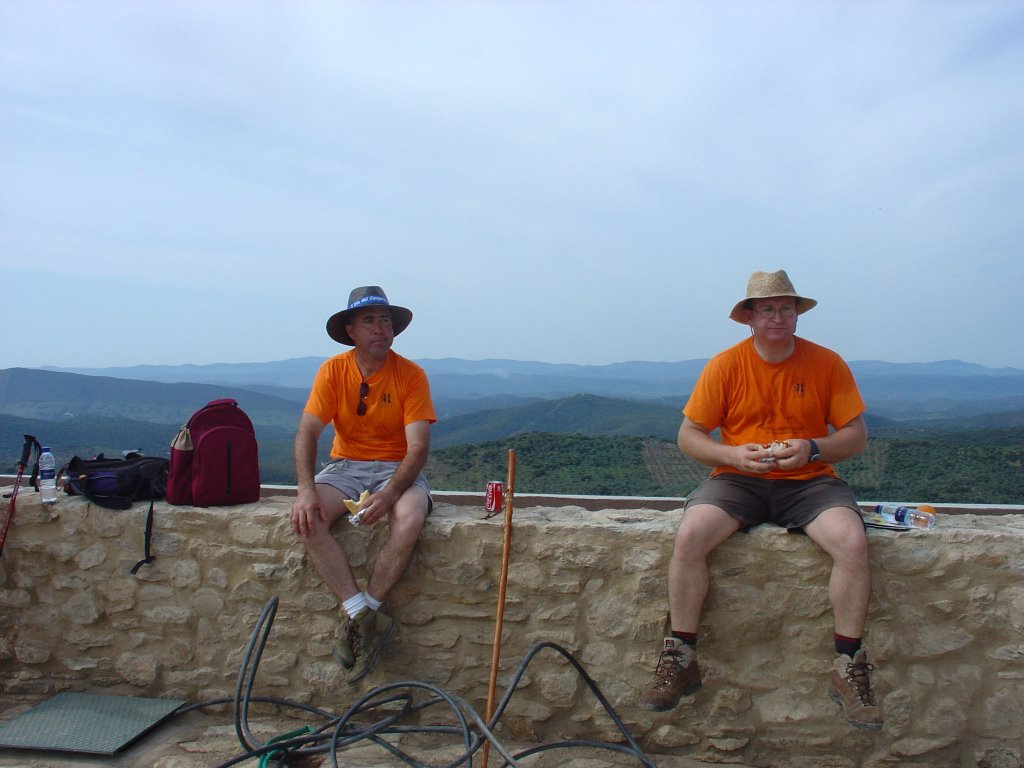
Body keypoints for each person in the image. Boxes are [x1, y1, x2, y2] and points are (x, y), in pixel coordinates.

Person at [640, 269, 883, 731]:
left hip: (811, 479)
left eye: (786, 308)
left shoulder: (827, 363)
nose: (778, 317)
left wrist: (811, 448)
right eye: (767, 309)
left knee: (851, 543)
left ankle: (848, 666)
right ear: (749, 317)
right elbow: (689, 436)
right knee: (690, 535)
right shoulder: (725, 365)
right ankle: (681, 654)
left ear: (797, 314)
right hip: (737, 477)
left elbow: (855, 437)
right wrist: (732, 453)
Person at [290, 286, 436, 684]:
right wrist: (305, 491)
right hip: (346, 467)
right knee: (308, 518)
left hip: (397, 467)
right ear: (351, 330)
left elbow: (418, 447)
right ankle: (363, 614)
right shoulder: (333, 371)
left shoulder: (411, 375)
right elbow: (307, 432)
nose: (380, 328)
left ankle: (361, 616)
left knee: (408, 520)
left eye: (385, 320)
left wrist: (390, 494)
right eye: (369, 320)